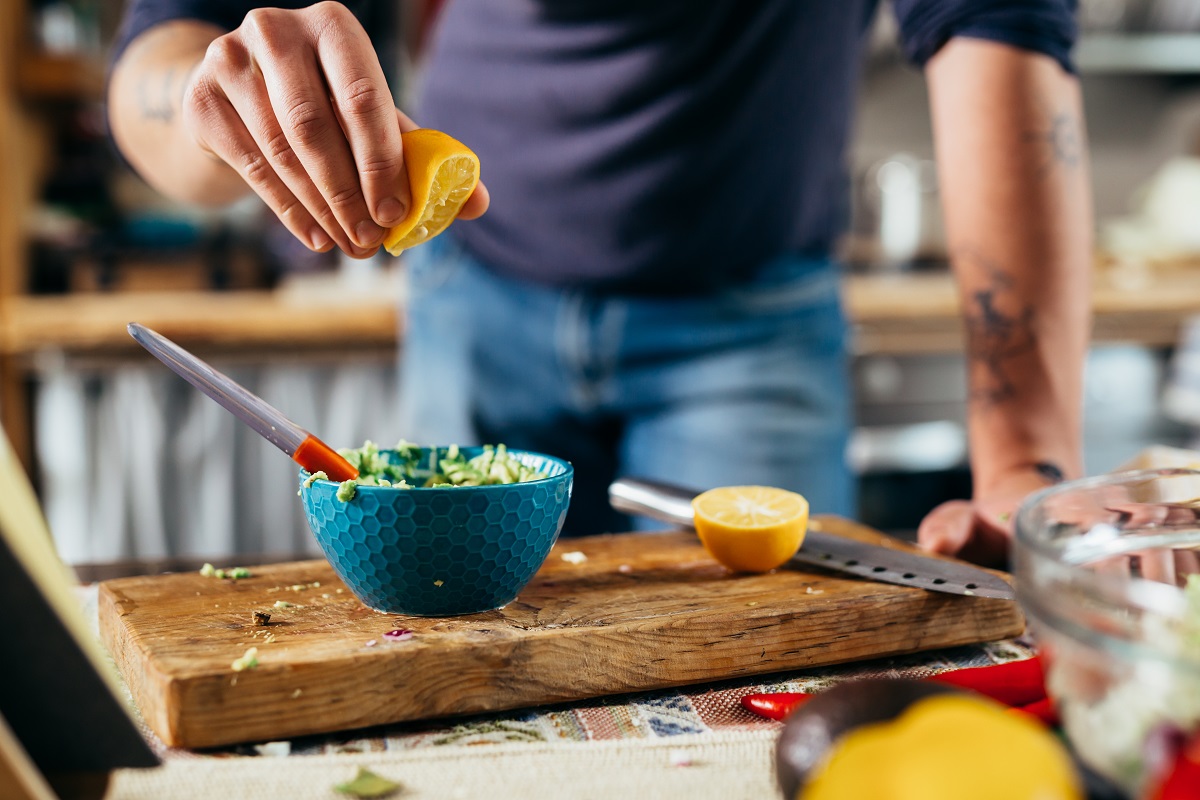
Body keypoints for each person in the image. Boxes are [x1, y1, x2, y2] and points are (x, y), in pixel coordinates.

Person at [107, 0, 1092, 566]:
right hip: (474, 294)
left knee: (756, 666)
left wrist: (1022, 469)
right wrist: (211, 105)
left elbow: (995, 27)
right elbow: (154, 57)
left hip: (747, 320)